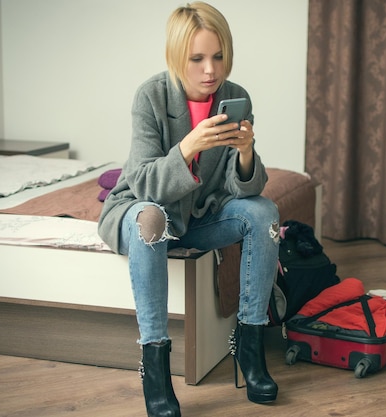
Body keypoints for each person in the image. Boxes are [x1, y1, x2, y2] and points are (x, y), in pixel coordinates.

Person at [97, 2, 279, 416]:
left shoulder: (236, 98)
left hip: (197, 219)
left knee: (264, 212)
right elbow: (143, 182)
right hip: (146, 212)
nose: (210, 70)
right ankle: (155, 368)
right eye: (197, 59)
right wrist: (188, 146)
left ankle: (249, 347)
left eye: (218, 56)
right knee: (151, 219)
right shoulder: (150, 96)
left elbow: (242, 187)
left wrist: (247, 152)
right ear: (178, 57)